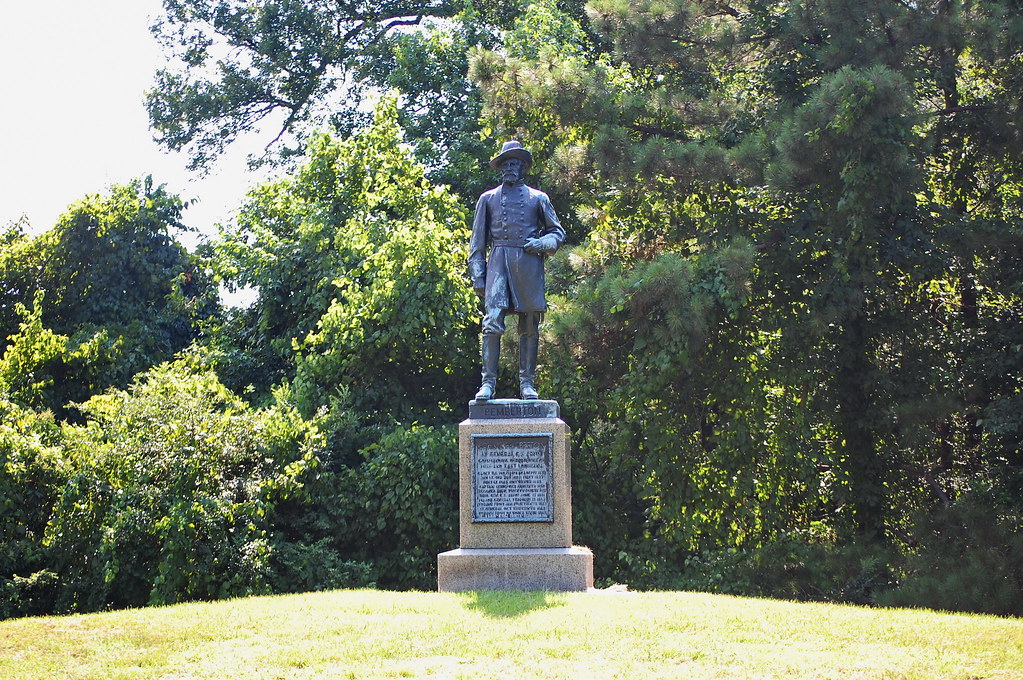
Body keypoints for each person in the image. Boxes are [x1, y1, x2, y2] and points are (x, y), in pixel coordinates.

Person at [469, 140, 566, 400]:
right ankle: (487, 383)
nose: (511, 167)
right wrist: (478, 275)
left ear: (523, 167)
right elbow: (477, 243)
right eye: (506, 163)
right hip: (498, 261)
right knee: (492, 322)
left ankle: (527, 383)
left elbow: (557, 232)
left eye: (515, 163)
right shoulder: (487, 198)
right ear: (500, 167)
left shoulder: (538, 198)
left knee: (530, 324)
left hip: (528, 263)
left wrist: (542, 243)